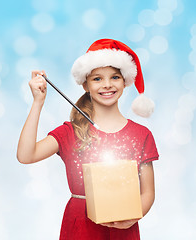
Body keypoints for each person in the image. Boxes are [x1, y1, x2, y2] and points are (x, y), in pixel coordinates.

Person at [17, 39, 159, 240]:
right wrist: (38, 103)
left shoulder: (142, 134)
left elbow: (148, 192)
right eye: (97, 79)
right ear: (85, 84)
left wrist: (133, 216)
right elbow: (25, 155)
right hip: (80, 229)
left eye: (115, 77)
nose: (107, 84)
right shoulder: (71, 132)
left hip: (124, 229)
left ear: (125, 81)